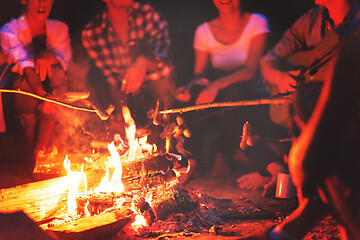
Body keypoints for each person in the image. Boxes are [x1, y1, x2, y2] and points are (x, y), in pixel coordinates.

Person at [238, 0, 360, 197]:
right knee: (246, 130)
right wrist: (281, 77)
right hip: (302, 113)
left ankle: (287, 174)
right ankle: (278, 169)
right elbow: (269, 62)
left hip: (341, 116)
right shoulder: (312, 18)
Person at [175, 0, 272, 177]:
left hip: (252, 97)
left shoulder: (257, 22)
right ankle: (193, 161)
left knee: (233, 93)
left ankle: (223, 152)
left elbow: (250, 70)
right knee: (196, 93)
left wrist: (216, 85)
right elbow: (200, 75)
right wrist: (188, 88)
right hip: (220, 98)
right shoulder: (204, 31)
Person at [81, 0, 174, 135]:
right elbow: (116, 82)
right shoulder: (93, 33)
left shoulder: (147, 14)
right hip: (135, 106)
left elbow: (166, 61)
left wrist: (144, 63)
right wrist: (121, 112)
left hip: (165, 98)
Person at [0, 0, 72, 173]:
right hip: (14, 95)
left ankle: (42, 152)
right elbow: (22, 65)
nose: (42, 3)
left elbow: (65, 62)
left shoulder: (59, 29)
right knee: (24, 83)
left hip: (50, 97)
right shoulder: (9, 30)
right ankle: (30, 153)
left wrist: (48, 57)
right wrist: (42, 94)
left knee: (58, 76)